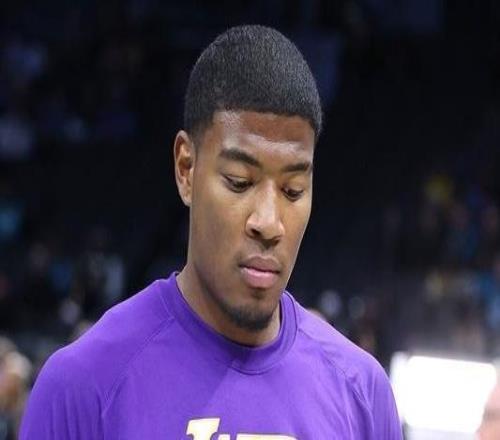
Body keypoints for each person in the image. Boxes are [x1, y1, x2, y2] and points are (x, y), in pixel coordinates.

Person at [20, 25, 402, 439]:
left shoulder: (362, 393)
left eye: (293, 190)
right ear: (186, 168)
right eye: (239, 182)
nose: (269, 222)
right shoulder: (83, 387)